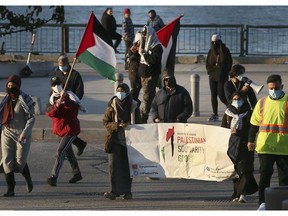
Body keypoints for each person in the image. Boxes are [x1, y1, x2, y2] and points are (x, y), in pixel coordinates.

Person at [247, 74, 288, 210]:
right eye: (270, 88)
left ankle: (284, 203)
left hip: (284, 148)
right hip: (265, 147)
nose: (273, 91)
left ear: (282, 86)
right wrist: (250, 140)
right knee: (265, 177)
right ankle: (262, 204)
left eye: (276, 88)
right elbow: (254, 124)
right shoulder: (262, 103)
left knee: (285, 179)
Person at [103, 83, 141, 200]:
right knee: (113, 166)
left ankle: (127, 192)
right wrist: (118, 125)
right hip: (114, 140)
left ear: (127, 92)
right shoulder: (112, 106)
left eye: (123, 90)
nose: (120, 93)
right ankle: (113, 191)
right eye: (118, 90)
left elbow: (140, 123)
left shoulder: (133, 105)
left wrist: (129, 125)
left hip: (129, 141)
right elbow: (105, 122)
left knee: (127, 167)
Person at [0, 75, 35, 197]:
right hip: (7, 132)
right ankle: (11, 189)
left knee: (19, 163)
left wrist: (25, 133)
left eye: (13, 86)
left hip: (22, 134)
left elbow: (31, 118)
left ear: (18, 86)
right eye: (8, 86)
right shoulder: (5, 100)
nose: (10, 88)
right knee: (7, 161)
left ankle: (27, 177)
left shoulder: (25, 99)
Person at [221, 91, 258, 203]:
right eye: (235, 99)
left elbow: (252, 130)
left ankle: (241, 194)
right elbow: (222, 129)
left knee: (246, 170)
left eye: (239, 99)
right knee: (236, 171)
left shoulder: (249, 113)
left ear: (244, 100)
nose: (237, 101)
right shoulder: (228, 113)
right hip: (232, 146)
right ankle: (238, 193)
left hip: (246, 144)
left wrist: (239, 132)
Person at [46, 76, 83, 186]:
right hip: (59, 130)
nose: (56, 87)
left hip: (69, 129)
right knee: (68, 153)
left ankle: (53, 176)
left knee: (60, 152)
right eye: (54, 85)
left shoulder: (71, 97)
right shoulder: (52, 99)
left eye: (58, 84)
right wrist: (57, 105)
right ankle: (77, 173)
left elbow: (71, 111)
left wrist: (64, 99)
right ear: (51, 88)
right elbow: (50, 113)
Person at [51, 55, 87, 156]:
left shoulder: (75, 75)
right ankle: (79, 144)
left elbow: (80, 91)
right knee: (60, 127)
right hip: (59, 104)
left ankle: (63, 151)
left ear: (68, 64)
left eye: (63, 65)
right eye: (60, 65)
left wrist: (73, 99)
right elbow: (52, 87)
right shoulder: (56, 73)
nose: (62, 67)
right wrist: (54, 99)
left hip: (70, 106)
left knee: (68, 129)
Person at [138, 25, 163, 123]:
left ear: (150, 35)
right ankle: (153, 114)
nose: (143, 37)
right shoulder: (143, 44)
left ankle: (144, 116)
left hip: (151, 75)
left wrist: (144, 53)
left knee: (148, 96)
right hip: (142, 73)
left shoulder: (157, 47)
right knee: (149, 95)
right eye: (143, 35)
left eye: (145, 35)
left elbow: (153, 60)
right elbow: (140, 57)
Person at [206, 33, 232, 122]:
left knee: (221, 95)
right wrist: (210, 72)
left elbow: (229, 64)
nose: (214, 44)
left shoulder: (225, 51)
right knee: (213, 95)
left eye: (215, 42)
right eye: (212, 42)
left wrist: (224, 73)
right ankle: (215, 113)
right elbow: (208, 64)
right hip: (212, 76)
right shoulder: (211, 51)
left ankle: (231, 107)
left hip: (222, 77)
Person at [126, 32, 141, 100]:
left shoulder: (139, 47)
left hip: (137, 72)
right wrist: (135, 52)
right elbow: (129, 58)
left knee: (136, 89)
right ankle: (130, 103)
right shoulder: (133, 49)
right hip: (134, 72)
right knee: (135, 89)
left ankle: (133, 104)